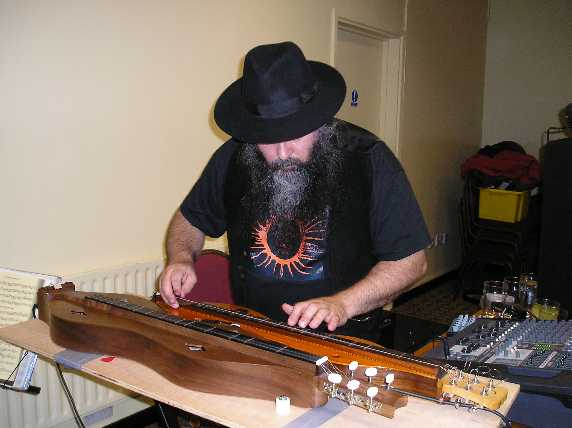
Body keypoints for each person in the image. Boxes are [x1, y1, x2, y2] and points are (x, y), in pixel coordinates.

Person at [159, 41, 431, 340]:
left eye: (295, 135)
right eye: (267, 138)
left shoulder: (368, 158)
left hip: (345, 341)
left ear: (318, 120)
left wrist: (343, 304)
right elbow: (190, 221)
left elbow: (411, 261)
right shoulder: (234, 157)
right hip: (255, 334)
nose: (282, 152)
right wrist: (181, 258)